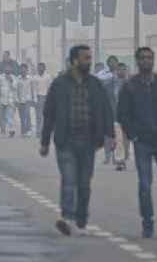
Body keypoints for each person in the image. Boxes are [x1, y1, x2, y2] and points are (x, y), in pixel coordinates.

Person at [40, 44, 114, 237]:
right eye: (85, 58)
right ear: (74, 61)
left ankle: (81, 214)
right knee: (69, 179)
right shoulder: (60, 84)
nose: (89, 62)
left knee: (84, 183)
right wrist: (45, 141)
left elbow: (105, 110)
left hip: (89, 141)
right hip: (66, 141)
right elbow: (49, 113)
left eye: (89, 58)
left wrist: (110, 135)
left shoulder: (95, 84)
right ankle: (66, 217)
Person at [117, 47, 157, 238]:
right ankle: (147, 221)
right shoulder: (130, 86)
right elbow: (123, 113)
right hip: (141, 142)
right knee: (145, 184)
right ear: (137, 62)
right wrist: (133, 135)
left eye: (150, 58)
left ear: (153, 60)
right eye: (143, 58)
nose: (147, 61)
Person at [111, 62, 131, 171]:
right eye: (119, 69)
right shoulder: (110, 84)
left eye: (123, 69)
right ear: (116, 71)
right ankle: (119, 161)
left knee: (126, 140)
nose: (121, 71)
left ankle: (124, 156)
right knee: (119, 139)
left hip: (129, 116)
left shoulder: (132, 84)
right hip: (116, 115)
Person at [0, 62, 17, 138]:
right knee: (2, 117)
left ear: (11, 70)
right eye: (6, 69)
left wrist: (11, 81)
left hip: (10, 100)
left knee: (9, 116)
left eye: (9, 69)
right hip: (1, 99)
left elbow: (14, 87)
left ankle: (11, 130)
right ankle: (3, 130)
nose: (8, 70)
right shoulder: (0, 77)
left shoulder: (13, 78)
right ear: (4, 70)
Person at [32, 63, 52, 139]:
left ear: (44, 68)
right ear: (37, 68)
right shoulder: (35, 77)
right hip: (38, 97)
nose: (40, 69)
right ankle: (38, 131)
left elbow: (50, 88)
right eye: (39, 67)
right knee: (38, 116)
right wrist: (34, 99)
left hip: (46, 97)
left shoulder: (48, 77)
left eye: (42, 67)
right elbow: (34, 89)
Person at [15, 63, 35, 137]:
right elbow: (16, 90)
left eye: (24, 70)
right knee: (22, 117)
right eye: (21, 70)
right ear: (20, 70)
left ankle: (28, 130)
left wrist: (34, 99)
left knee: (27, 115)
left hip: (28, 100)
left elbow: (33, 89)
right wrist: (16, 100)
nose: (23, 71)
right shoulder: (18, 79)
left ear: (27, 70)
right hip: (20, 100)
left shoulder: (30, 79)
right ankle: (23, 131)